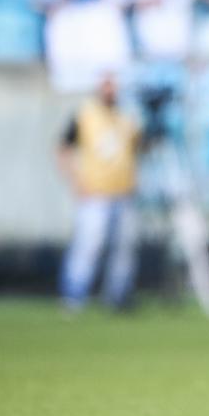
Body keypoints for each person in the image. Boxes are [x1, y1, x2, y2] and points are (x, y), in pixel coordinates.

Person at [58, 74, 141, 313]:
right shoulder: (85, 115)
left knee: (124, 249)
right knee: (88, 245)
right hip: (95, 193)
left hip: (123, 192)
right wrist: (75, 181)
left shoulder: (127, 116)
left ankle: (117, 296)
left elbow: (136, 149)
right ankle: (74, 295)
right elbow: (63, 147)